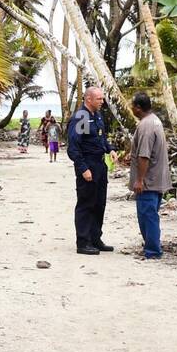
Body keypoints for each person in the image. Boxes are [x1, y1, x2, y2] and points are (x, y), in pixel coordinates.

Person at [66, 86, 112, 256]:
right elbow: (74, 147)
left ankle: (95, 238)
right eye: (99, 99)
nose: (102, 101)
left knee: (99, 203)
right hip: (88, 166)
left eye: (102, 98)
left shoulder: (97, 115)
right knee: (86, 204)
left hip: (100, 165)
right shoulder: (82, 117)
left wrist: (110, 149)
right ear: (88, 99)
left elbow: (100, 138)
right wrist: (83, 168)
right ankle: (83, 242)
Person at [129, 92, 171, 259]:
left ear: (138, 108)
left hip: (149, 180)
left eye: (133, 105)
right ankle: (151, 246)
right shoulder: (155, 120)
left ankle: (153, 250)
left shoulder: (146, 126)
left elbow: (144, 155)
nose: (131, 108)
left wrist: (140, 180)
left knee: (147, 215)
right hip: (157, 177)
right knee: (151, 213)